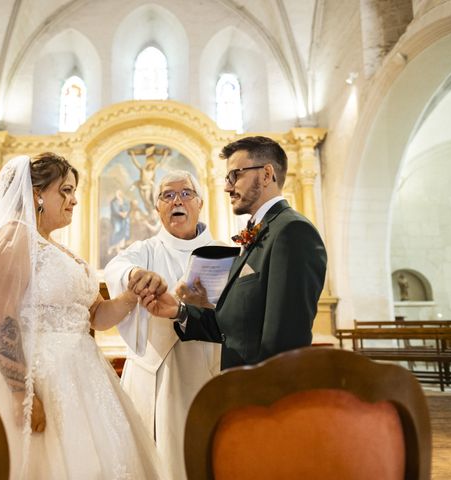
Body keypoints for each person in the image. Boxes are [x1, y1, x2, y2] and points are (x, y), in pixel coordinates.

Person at [0, 153, 162, 478]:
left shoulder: (55, 247)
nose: (74, 200)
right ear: (37, 193)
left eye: (74, 191)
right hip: (39, 380)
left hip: (82, 378)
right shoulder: (14, 237)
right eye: (65, 190)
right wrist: (23, 394)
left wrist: (132, 295)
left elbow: (97, 316)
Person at [139, 136, 327, 369]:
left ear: (267, 174)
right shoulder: (260, 233)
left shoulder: (291, 231)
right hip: (239, 385)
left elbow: (285, 340)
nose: (228, 186)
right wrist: (179, 311)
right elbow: (236, 327)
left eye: (234, 175)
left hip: (262, 392)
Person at [105, 170, 221, 480]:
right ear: (158, 208)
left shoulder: (225, 252)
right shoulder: (145, 250)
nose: (176, 201)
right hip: (154, 373)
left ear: (199, 203)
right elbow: (117, 266)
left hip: (206, 368)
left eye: (185, 194)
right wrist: (134, 277)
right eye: (167, 195)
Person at [107, 189, 130, 255]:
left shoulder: (124, 201)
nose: (119, 195)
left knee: (124, 231)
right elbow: (114, 210)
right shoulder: (113, 202)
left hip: (123, 220)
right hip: (116, 219)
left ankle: (119, 248)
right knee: (117, 230)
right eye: (118, 194)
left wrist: (125, 213)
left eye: (120, 194)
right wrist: (121, 214)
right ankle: (113, 245)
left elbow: (127, 208)